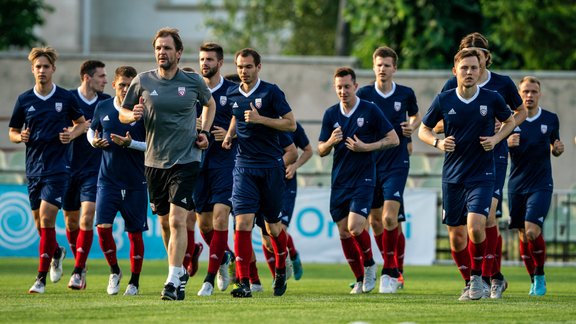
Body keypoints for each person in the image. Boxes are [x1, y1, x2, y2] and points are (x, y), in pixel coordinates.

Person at [119, 27, 216, 301]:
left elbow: (210, 106)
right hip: (153, 162)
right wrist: (131, 115)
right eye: (158, 48)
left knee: (177, 219)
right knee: (164, 223)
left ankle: (172, 280)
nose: (162, 52)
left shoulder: (193, 81)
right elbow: (124, 111)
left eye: (167, 48)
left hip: (186, 159)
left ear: (179, 52)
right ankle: (180, 270)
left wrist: (205, 132)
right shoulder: (142, 81)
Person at [418, 48, 515, 301]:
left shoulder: (492, 98)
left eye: (474, 68)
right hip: (452, 176)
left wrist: (496, 139)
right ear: (455, 71)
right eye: (464, 68)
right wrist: (438, 143)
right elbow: (423, 130)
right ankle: (468, 281)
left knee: (475, 225)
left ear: (480, 70)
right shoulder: (444, 99)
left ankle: (478, 278)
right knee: (457, 236)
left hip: (482, 174)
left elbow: (511, 121)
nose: (469, 72)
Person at [439, 32, 527, 298]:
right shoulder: (451, 86)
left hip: (493, 156)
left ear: (486, 57)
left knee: (486, 216)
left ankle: (489, 277)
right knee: (460, 229)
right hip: (460, 161)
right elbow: (440, 121)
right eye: (468, 52)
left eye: (478, 53)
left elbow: (520, 111)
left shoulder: (502, 83)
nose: (473, 57)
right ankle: (485, 278)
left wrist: (502, 128)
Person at [8, 47, 88, 294]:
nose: (42, 70)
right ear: (32, 69)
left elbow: (83, 124)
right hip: (33, 169)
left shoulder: (65, 98)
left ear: (53, 69)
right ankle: (56, 252)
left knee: (46, 217)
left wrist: (71, 133)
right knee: (39, 225)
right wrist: (18, 136)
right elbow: (12, 132)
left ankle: (40, 279)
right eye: (38, 67)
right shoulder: (24, 100)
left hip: (58, 168)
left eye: (46, 66)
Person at [222, 48, 296, 298]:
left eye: (249, 66)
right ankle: (242, 281)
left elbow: (290, 123)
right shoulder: (232, 92)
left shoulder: (271, 92)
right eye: (240, 66)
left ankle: (280, 270)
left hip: (271, 167)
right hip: (243, 167)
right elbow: (236, 117)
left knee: (273, 227)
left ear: (258, 67)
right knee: (242, 223)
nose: (244, 71)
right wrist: (231, 135)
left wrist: (260, 119)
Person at [319, 67, 399, 294]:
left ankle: (371, 265)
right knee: (343, 232)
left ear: (355, 87)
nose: (343, 91)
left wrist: (367, 147)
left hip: (364, 178)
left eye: (347, 86)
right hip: (340, 180)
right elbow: (321, 150)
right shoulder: (330, 114)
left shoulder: (370, 110)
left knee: (355, 227)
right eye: (339, 87)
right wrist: (331, 142)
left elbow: (392, 138)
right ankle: (360, 277)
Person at [357, 46, 421, 293]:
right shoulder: (364, 93)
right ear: (373, 67)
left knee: (389, 217)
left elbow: (416, 116)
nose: (382, 69)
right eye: (378, 65)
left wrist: (411, 128)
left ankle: (391, 271)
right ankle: (395, 269)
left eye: (387, 65)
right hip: (371, 163)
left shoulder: (405, 93)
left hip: (397, 161)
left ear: (394, 68)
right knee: (375, 222)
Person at [89, 66, 147, 296]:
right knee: (103, 228)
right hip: (108, 181)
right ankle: (115, 271)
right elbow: (91, 131)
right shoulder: (103, 107)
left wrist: (130, 144)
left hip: (136, 182)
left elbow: (153, 146)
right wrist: (93, 142)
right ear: (114, 85)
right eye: (122, 84)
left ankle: (134, 282)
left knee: (135, 233)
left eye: (130, 85)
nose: (125, 89)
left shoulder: (143, 111)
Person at [508, 76, 564, 296]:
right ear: (519, 94)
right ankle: (533, 279)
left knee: (532, 230)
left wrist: (558, 149)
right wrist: (506, 142)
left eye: (533, 91)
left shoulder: (550, 119)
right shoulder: (510, 120)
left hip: (541, 183)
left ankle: (540, 275)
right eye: (525, 92)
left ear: (539, 94)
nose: (529, 95)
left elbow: (555, 147)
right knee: (523, 234)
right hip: (516, 184)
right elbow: (493, 146)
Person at [193, 42, 238, 297]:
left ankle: (209, 279)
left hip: (225, 163)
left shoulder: (232, 91)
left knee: (221, 218)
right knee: (205, 225)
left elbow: (245, 124)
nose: (205, 63)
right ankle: (223, 257)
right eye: (202, 59)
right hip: (198, 163)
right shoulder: (191, 90)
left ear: (220, 63)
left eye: (210, 59)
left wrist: (231, 134)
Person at [64, 60, 111, 290]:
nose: (105, 80)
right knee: (71, 222)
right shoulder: (69, 100)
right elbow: (61, 131)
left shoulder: (106, 102)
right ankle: (79, 264)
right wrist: (76, 130)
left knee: (87, 216)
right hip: (68, 169)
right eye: (101, 76)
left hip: (95, 171)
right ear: (87, 77)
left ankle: (77, 270)